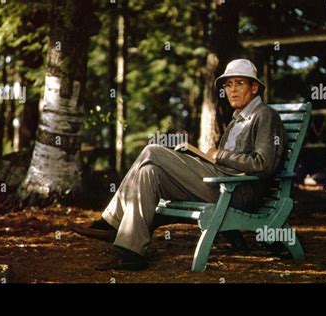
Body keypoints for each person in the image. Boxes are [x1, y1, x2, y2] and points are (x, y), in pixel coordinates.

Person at [72, 59, 286, 270]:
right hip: (219, 182)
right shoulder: (236, 120)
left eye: (239, 83)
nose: (232, 90)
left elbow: (263, 164)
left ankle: (110, 221)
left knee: (152, 150)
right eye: (228, 84)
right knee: (149, 172)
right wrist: (202, 156)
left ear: (255, 87)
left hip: (237, 191)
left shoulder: (264, 115)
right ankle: (131, 252)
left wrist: (220, 155)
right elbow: (222, 160)